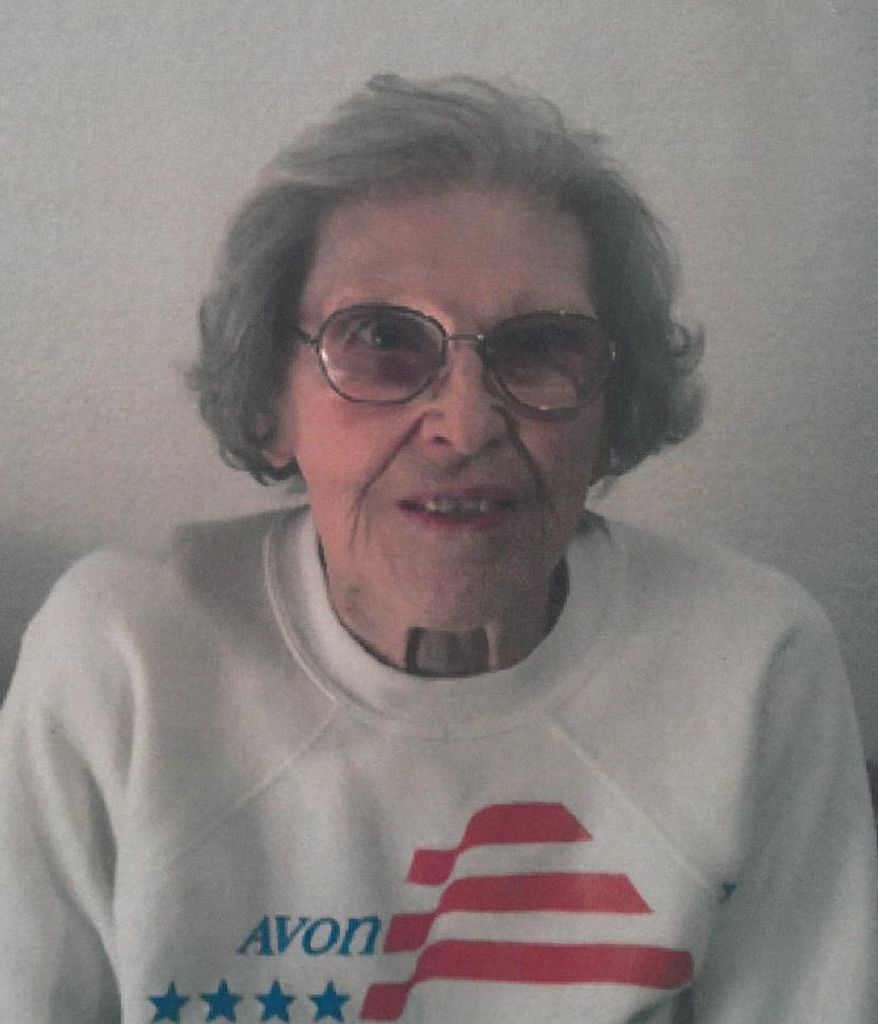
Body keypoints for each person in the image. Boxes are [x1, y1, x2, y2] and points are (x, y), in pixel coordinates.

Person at [1, 75, 875, 1023]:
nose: (465, 424)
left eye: (540, 345)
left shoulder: (752, 663)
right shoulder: (121, 658)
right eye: (380, 338)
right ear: (267, 403)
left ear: (611, 410)